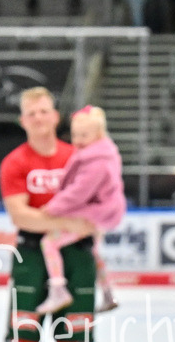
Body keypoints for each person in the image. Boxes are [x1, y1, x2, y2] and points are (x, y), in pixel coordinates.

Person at [0, 86, 97, 342]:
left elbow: (96, 209)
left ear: (56, 116)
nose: (39, 118)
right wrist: (66, 222)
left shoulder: (79, 158)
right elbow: (20, 215)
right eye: (31, 113)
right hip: (31, 256)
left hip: (77, 257)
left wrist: (60, 222)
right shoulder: (15, 162)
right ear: (23, 121)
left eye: (44, 111)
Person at [35, 105, 125, 316]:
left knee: (49, 242)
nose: (78, 140)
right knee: (93, 250)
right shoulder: (100, 154)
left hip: (96, 213)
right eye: (75, 135)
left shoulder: (97, 162)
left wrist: (53, 208)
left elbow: (79, 192)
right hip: (103, 211)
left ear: (98, 134)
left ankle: (58, 289)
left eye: (84, 135)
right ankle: (108, 293)